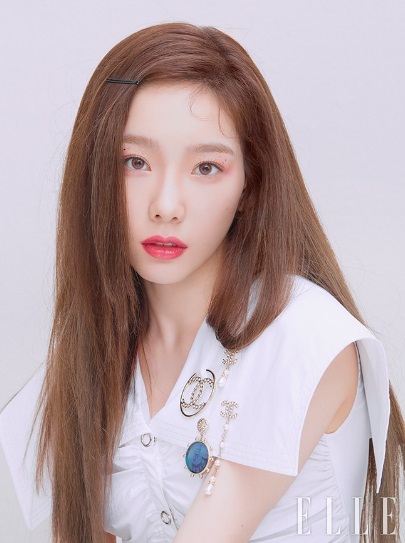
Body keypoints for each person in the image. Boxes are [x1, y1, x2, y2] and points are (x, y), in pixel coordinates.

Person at [1, 21, 404, 543]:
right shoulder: (88, 354)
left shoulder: (303, 338)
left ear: (251, 184)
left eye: (206, 167)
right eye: (135, 162)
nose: (166, 206)